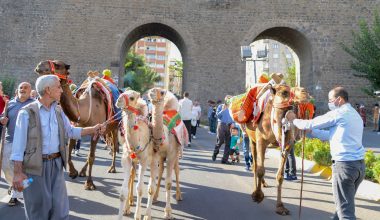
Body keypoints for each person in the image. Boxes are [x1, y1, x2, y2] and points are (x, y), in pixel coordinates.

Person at [10, 75, 106, 220]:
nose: (62, 90)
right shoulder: (26, 113)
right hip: (35, 168)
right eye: (58, 87)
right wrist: (17, 173)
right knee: (38, 211)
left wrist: (94, 128)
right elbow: (18, 146)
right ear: (48, 90)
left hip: (56, 165)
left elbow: (71, 131)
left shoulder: (59, 111)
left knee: (60, 211)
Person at [286, 87, 365, 220]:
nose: (329, 103)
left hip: (344, 167)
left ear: (339, 99)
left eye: (330, 100)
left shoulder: (339, 113)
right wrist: (312, 132)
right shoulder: (354, 114)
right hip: (358, 167)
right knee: (342, 207)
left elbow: (311, 123)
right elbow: (332, 135)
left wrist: (294, 120)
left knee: (345, 213)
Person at [0, 82, 34, 206]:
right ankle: (15, 185)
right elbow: (1, 116)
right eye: (21, 87)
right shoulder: (10, 104)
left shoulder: (34, 104)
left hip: (27, 143)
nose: (23, 89)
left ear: (30, 91)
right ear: (17, 90)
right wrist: (2, 120)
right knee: (6, 167)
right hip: (10, 140)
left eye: (26, 88)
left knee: (23, 169)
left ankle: (16, 192)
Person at [212, 95, 234, 164]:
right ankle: (215, 152)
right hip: (221, 125)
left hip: (229, 126)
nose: (229, 100)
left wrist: (233, 123)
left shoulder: (232, 108)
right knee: (220, 141)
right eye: (228, 99)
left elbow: (233, 117)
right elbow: (217, 116)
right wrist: (222, 110)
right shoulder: (220, 106)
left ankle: (224, 159)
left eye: (230, 99)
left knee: (228, 143)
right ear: (225, 100)